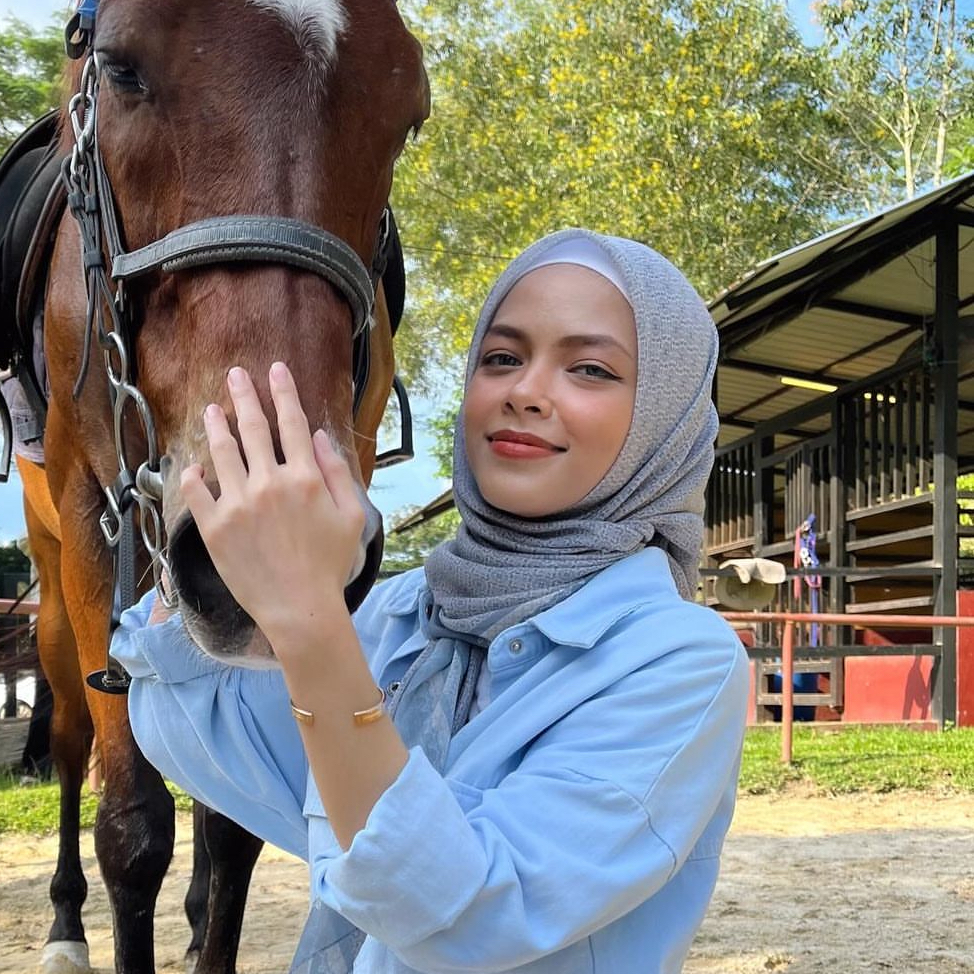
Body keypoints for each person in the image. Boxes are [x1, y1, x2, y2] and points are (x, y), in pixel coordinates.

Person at [111, 228, 749, 973]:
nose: (524, 392)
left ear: (665, 422)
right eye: (502, 357)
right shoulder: (406, 611)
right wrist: (207, 520)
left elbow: (461, 916)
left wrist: (311, 620)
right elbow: (201, 734)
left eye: (589, 369)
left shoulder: (681, 666)